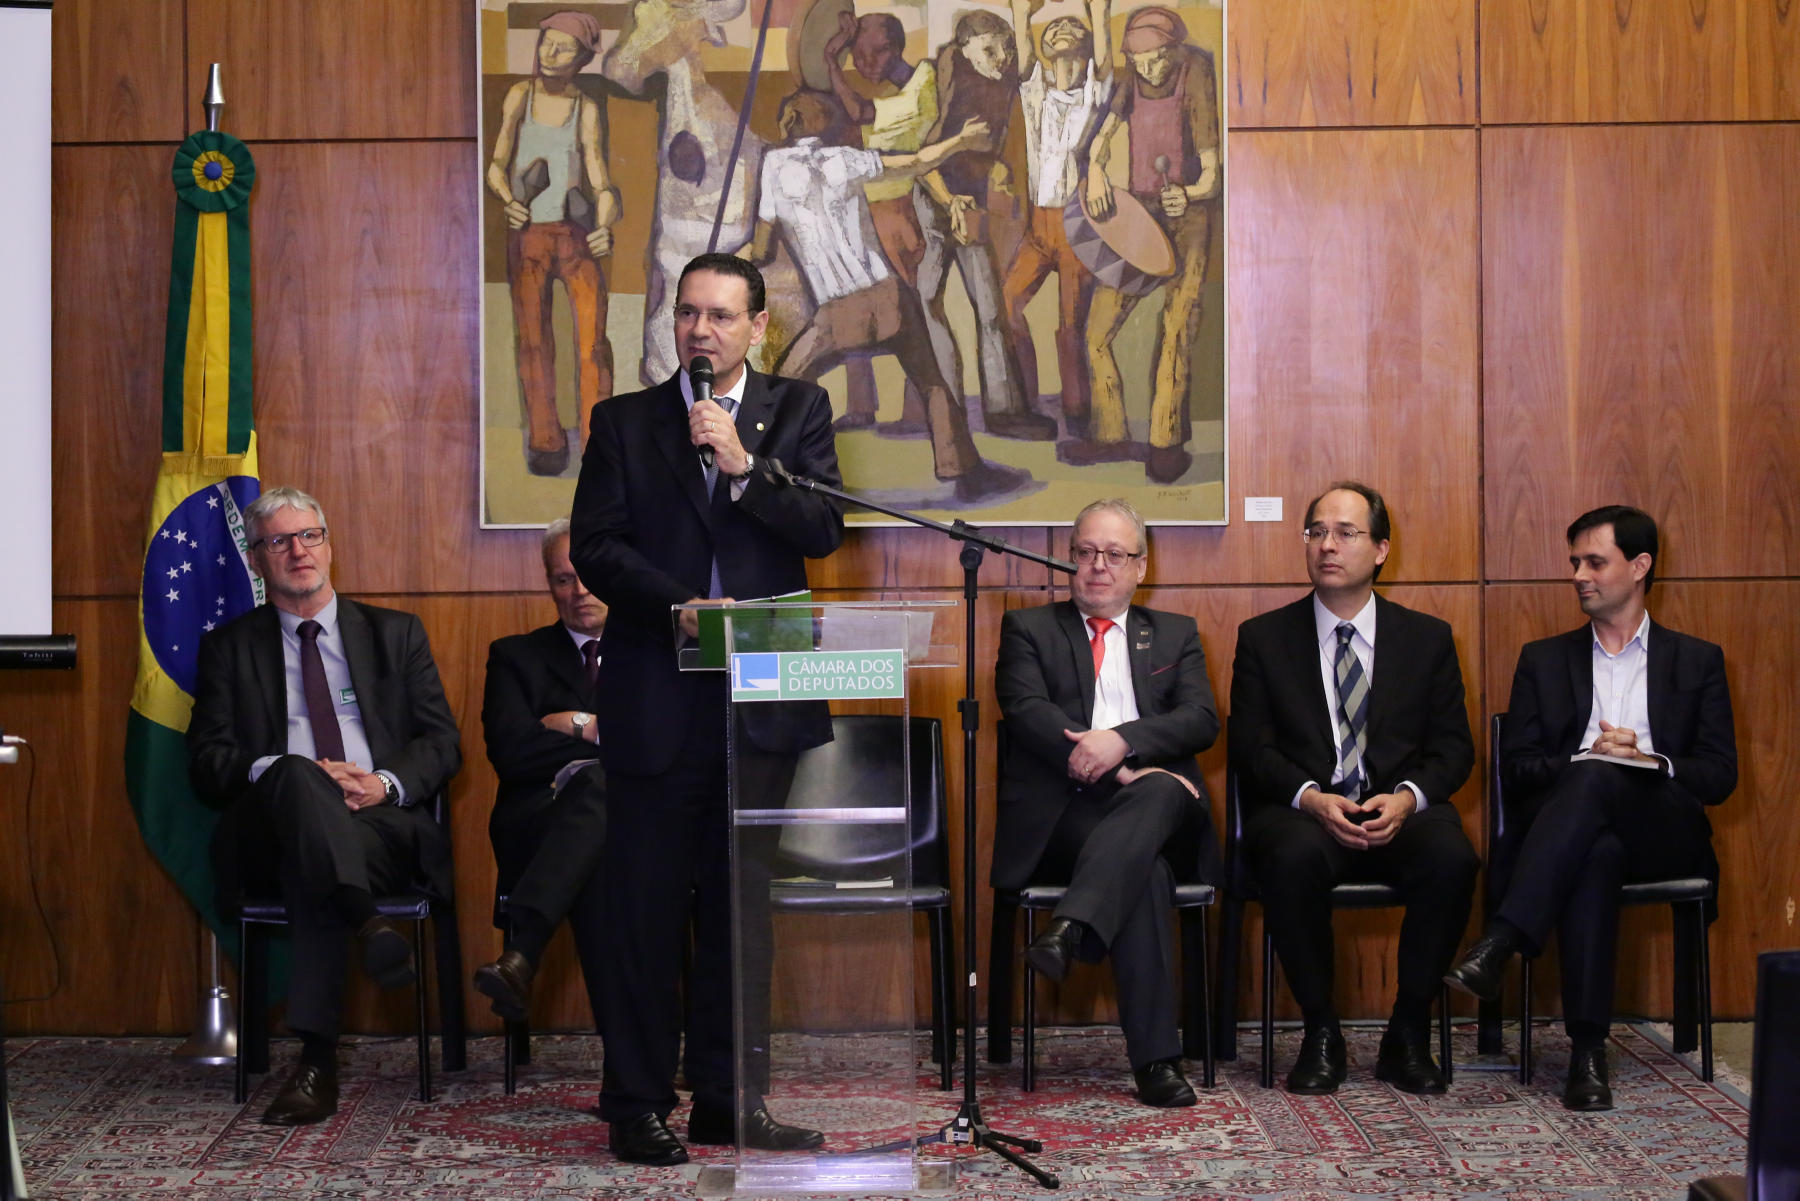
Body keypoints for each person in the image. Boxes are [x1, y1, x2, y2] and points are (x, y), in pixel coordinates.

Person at [569, 253, 843, 1165]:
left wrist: (744, 463)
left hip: (765, 696)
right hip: (658, 695)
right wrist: (675, 603)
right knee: (646, 909)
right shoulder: (625, 421)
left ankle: (733, 1097)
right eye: (689, 313)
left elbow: (822, 529)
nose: (701, 331)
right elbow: (597, 547)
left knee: (741, 914)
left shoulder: (798, 411)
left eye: (722, 316)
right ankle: (638, 1101)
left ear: (757, 326)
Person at [1446, 505, 1737, 1111]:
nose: (1579, 574)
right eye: (1574, 562)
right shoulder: (1544, 659)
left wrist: (1647, 760)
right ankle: (1587, 1053)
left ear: (1639, 566)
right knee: (1594, 848)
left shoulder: (1697, 660)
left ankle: (1501, 938)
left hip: (1664, 829)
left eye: (1594, 562)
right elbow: (1519, 768)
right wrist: (1588, 759)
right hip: (1575, 834)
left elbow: (1719, 776)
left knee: (1602, 776)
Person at [187, 487, 461, 1126]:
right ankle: (364, 924)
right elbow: (207, 762)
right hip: (274, 829)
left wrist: (384, 783)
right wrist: (284, 773)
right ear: (256, 561)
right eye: (278, 541)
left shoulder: (395, 633)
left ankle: (317, 1061)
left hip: (379, 826)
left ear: (329, 545)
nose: (298, 550)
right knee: (298, 785)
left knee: (318, 864)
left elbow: (441, 741)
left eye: (309, 535)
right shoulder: (229, 648)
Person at [1228, 482, 1477, 1095]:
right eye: (1316, 532)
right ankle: (1321, 1033)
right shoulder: (1264, 638)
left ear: (1382, 549)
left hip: (1397, 809)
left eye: (1346, 533)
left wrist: (1409, 798)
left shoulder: (1427, 638)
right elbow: (1250, 749)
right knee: (1288, 855)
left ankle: (1409, 1032)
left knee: (1453, 857)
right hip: (1306, 810)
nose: (1327, 546)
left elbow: (1454, 750)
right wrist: (1311, 796)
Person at [995, 498, 1219, 1106]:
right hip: (1068, 813)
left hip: (1160, 807)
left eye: (1114, 554)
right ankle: (1156, 1064)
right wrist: (1105, 770)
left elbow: (1200, 718)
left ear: (1139, 566)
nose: (1099, 566)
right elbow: (1025, 710)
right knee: (1143, 870)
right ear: (1070, 559)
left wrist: (1123, 744)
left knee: (1155, 796)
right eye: (1087, 552)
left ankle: (1069, 928)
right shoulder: (1029, 629)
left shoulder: (1174, 632)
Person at [749, 91, 1027, 503]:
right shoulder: (847, 159)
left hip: (836, 313)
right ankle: (965, 471)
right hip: (889, 298)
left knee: (783, 384)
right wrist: (960, 141)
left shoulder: (772, 167)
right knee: (931, 382)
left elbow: (760, 252)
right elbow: (916, 161)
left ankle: (777, 476)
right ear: (824, 122)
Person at [471, 517, 610, 1030]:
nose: (580, 591)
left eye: (591, 574)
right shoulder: (515, 657)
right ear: (548, 583)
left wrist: (575, 726)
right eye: (563, 579)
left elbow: (663, 742)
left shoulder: (656, 654)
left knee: (603, 809)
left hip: (642, 826)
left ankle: (522, 953)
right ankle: (634, 1062)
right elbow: (511, 752)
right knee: (600, 799)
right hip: (538, 824)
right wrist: (606, 738)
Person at [1074, 6, 1220, 483]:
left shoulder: (1196, 72)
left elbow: (1212, 170)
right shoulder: (1130, 77)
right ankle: (1109, 433)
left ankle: (1165, 445)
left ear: (1173, 51)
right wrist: (1094, 170)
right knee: (1097, 333)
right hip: (1139, 212)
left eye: (1155, 60)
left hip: (1189, 216)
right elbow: (1099, 140)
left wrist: (1192, 193)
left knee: (1177, 329)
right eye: (1137, 61)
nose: (1146, 69)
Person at [486, 10, 620, 476]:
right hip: (528, 236)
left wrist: (605, 223)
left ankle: (596, 445)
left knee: (592, 344)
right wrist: (508, 200)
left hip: (576, 235)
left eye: (564, 48)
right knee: (533, 341)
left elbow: (601, 179)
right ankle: (545, 442)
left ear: (582, 58)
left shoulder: (586, 108)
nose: (551, 53)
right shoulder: (519, 97)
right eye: (547, 42)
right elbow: (497, 165)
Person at [914, 11, 1052, 441]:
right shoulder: (957, 87)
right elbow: (923, 164)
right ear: (965, 49)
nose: (1002, 57)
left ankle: (1005, 411)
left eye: (1005, 47)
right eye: (990, 50)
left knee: (989, 307)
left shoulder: (1000, 79)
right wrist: (949, 201)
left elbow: (1024, 64)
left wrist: (1023, 16)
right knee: (929, 300)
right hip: (938, 198)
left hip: (967, 201)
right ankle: (947, 409)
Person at [1003, 0, 1111, 436]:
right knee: (1007, 302)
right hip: (1038, 224)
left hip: (1076, 224)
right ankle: (1026, 401)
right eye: (1054, 29)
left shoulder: (1092, 93)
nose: (1061, 29)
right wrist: (1020, 13)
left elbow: (1104, 65)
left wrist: (1099, 10)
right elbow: (1024, 58)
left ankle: (1077, 412)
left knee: (1071, 323)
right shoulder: (1036, 93)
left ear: (1083, 49)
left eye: (1071, 27)